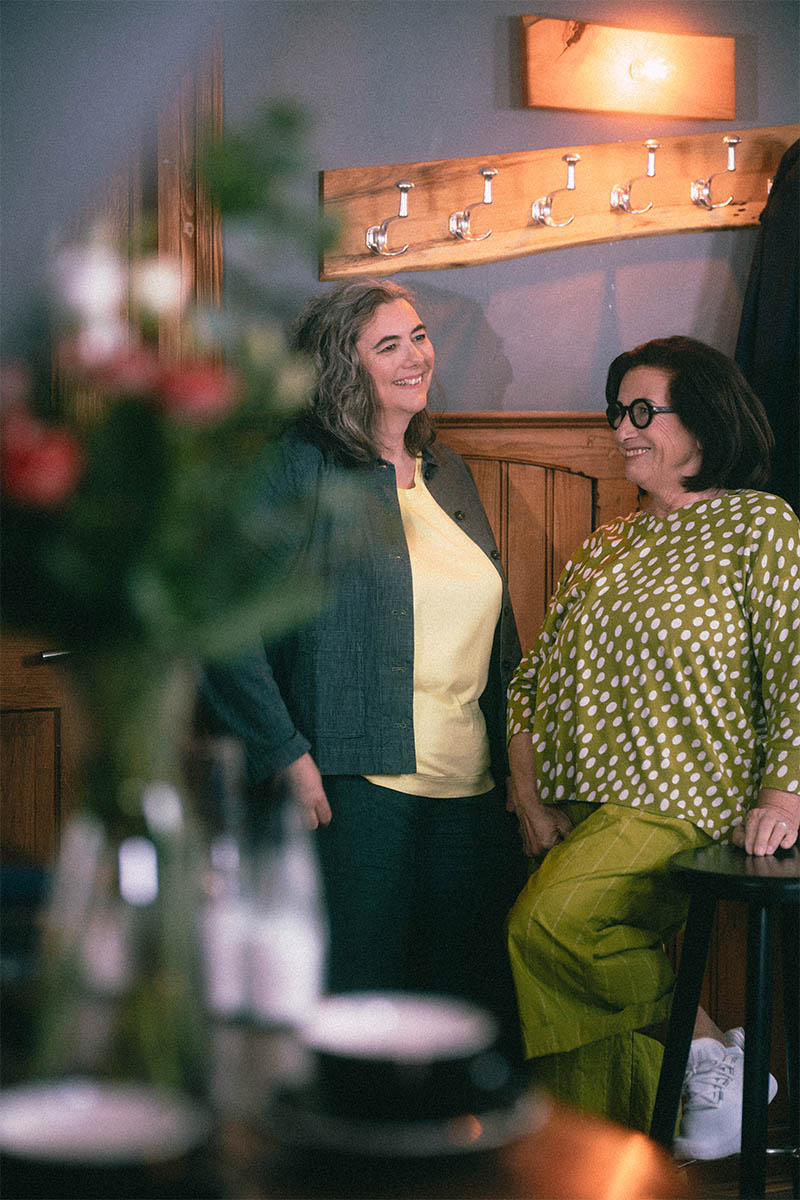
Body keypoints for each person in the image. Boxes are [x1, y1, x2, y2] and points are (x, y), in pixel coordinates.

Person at [200, 278, 527, 1050]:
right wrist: (284, 753)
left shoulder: (447, 469)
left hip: (472, 795)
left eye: (419, 336)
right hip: (354, 791)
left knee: (461, 1019)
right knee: (354, 1013)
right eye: (389, 345)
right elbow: (220, 621)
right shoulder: (296, 467)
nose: (416, 357)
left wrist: (522, 772)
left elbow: (500, 636)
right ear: (344, 369)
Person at [505, 336, 800, 1156]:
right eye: (617, 413)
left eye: (642, 410)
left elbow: (795, 661)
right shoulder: (606, 545)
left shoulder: (758, 523)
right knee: (566, 1009)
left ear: (703, 418)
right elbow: (531, 680)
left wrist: (783, 793)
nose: (623, 429)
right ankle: (602, 1161)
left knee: (547, 929)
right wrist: (528, 793)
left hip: (684, 796)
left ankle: (709, 1055)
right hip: (581, 807)